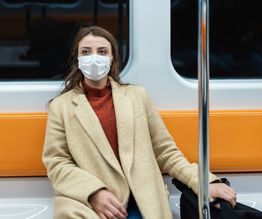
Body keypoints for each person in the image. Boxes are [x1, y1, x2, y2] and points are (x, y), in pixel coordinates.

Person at [42, 25, 237, 219]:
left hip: (144, 201)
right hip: (90, 205)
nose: (94, 57)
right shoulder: (61, 107)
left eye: (102, 51)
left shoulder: (137, 96)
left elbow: (165, 151)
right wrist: (94, 192)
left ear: (111, 59)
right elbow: (57, 163)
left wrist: (204, 183)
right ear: (77, 59)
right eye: (86, 52)